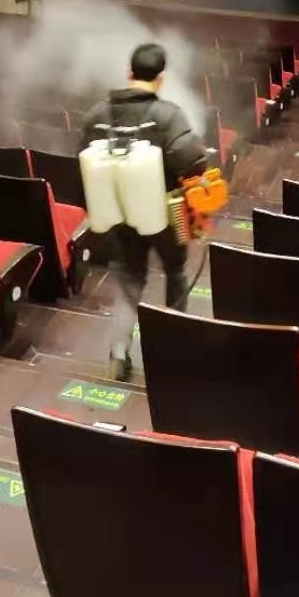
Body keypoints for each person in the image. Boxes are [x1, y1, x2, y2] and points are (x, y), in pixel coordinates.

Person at [81, 42, 208, 380]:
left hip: (119, 212)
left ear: (129, 73)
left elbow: (83, 163)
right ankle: (173, 351)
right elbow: (193, 162)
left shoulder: (97, 115)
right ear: (160, 79)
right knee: (176, 273)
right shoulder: (168, 115)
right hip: (165, 216)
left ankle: (118, 352)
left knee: (129, 279)